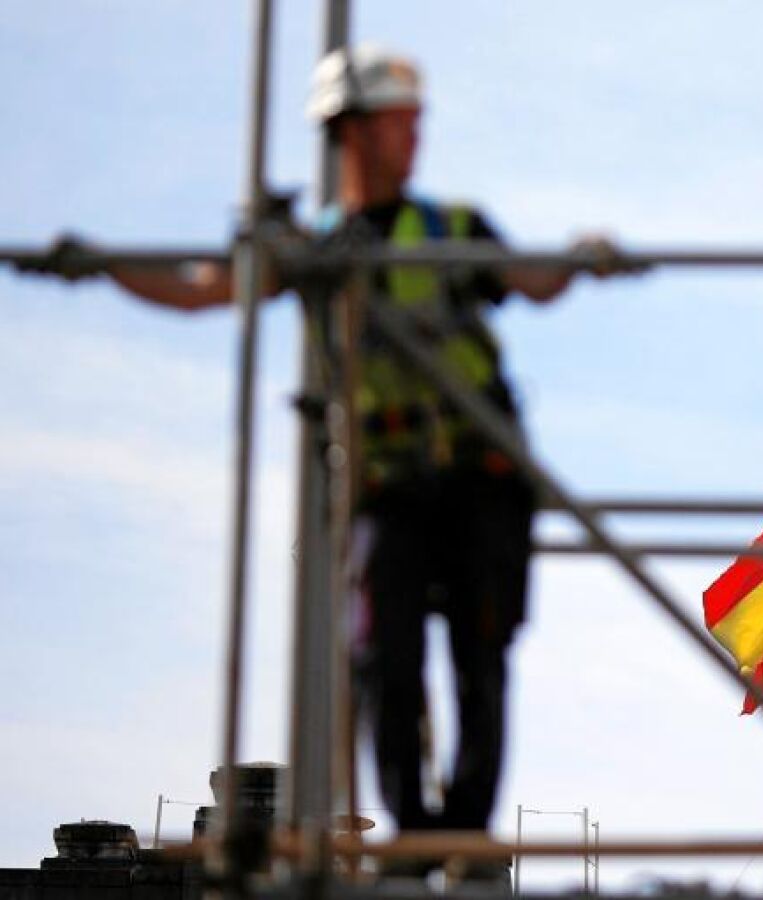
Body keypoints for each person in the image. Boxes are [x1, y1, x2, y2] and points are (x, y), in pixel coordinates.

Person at [19, 44, 633, 873]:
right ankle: (415, 834)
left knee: (479, 659)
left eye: (417, 124)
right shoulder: (317, 250)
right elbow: (202, 288)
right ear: (351, 131)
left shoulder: (450, 231)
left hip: (479, 479)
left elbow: (531, 280)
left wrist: (580, 258)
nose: (414, 140)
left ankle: (463, 832)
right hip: (388, 488)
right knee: (386, 662)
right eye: (398, 124)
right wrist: (102, 266)